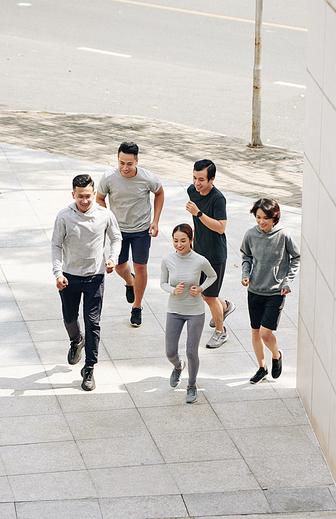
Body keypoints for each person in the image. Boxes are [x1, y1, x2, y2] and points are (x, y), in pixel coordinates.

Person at [51, 174, 122, 391]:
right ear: (73, 195)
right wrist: (57, 274)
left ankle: (90, 367)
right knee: (70, 318)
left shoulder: (105, 215)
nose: (84, 200)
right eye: (80, 196)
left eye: (88, 196)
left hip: (94, 276)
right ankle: (76, 340)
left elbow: (116, 238)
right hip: (69, 276)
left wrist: (112, 259)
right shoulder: (64, 216)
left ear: (94, 194)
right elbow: (55, 245)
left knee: (93, 323)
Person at [96, 141, 164, 327]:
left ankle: (137, 307)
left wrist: (155, 220)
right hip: (118, 230)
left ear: (136, 161)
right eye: (121, 163)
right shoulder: (108, 177)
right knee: (119, 266)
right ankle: (129, 281)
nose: (125, 168)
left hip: (141, 229)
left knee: (141, 266)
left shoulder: (147, 178)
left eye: (129, 163)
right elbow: (100, 199)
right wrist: (107, 221)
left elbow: (159, 193)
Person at [240, 198, 300, 384]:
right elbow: (246, 255)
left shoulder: (284, 236)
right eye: (258, 217)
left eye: (266, 218)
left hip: (275, 292)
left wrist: (286, 281)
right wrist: (246, 273)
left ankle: (276, 355)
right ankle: (262, 367)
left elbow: (296, 258)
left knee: (266, 333)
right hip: (254, 290)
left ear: (275, 218)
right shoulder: (251, 234)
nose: (261, 222)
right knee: (256, 332)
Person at [160, 223, 216, 404]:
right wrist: (172, 290)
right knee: (170, 352)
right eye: (176, 241)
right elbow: (163, 283)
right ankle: (178, 367)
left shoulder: (199, 260)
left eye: (183, 240)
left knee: (192, 351)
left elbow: (212, 276)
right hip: (174, 310)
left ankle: (191, 385)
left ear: (191, 240)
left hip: (195, 312)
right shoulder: (167, 259)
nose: (179, 244)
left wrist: (200, 288)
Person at [186, 159, 235, 349]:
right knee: (207, 293)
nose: (197, 183)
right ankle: (225, 307)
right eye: (195, 177)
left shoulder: (218, 199)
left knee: (209, 295)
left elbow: (221, 228)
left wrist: (198, 214)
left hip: (215, 255)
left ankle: (221, 332)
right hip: (199, 251)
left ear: (212, 179)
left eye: (202, 179)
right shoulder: (192, 191)